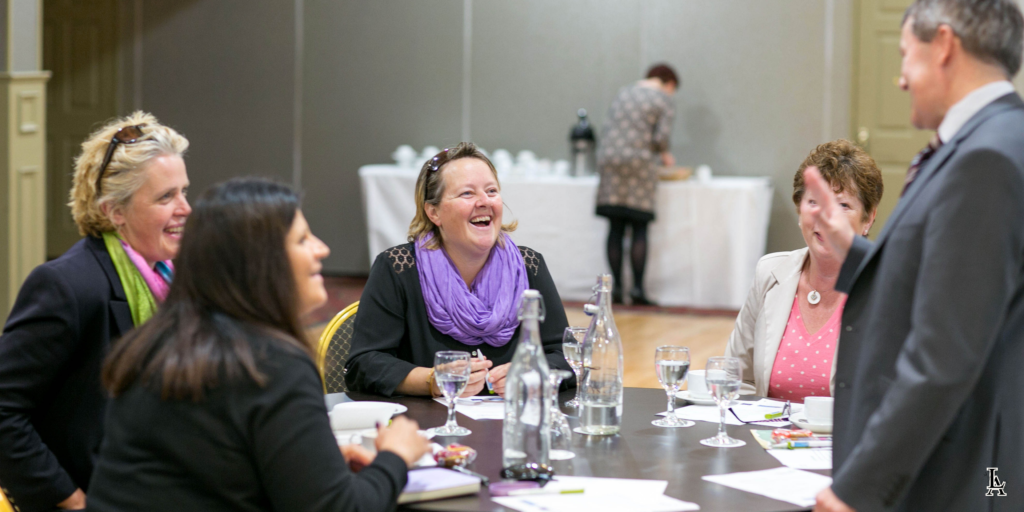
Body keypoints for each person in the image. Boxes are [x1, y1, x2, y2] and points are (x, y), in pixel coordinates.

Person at [87, 178, 430, 511]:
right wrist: (395, 457)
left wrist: (304, 466)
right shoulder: (271, 365)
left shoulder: (154, 344)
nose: (322, 249)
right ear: (260, 263)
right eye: (302, 239)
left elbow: (205, 471)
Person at [809, 1, 1024, 511]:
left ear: (944, 45)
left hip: (972, 471)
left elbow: (943, 357)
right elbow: (965, 289)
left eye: (905, 54)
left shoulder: (985, 159)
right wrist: (854, 251)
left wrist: (856, 490)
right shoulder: (994, 140)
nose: (900, 79)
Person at [0, 112, 190, 511]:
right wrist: (72, 502)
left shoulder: (177, 279)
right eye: (166, 197)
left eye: (185, 191)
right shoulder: (67, 285)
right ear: (114, 212)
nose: (186, 208)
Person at [346, 142, 573, 398]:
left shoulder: (528, 266)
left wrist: (533, 372)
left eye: (491, 191)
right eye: (467, 193)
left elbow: (566, 355)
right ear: (434, 212)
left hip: (512, 426)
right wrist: (433, 380)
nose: (484, 201)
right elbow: (363, 365)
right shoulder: (398, 268)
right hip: (429, 429)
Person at [725, 140, 881, 401]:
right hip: (766, 438)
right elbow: (737, 379)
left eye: (843, 205)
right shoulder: (771, 272)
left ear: (868, 218)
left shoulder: (884, 284)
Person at [595, 63, 678, 305]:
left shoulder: (624, 91)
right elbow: (660, 138)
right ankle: (639, 290)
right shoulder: (663, 99)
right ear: (669, 83)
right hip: (639, 163)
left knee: (615, 225)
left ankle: (618, 290)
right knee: (639, 225)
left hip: (610, 161)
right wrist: (666, 157)